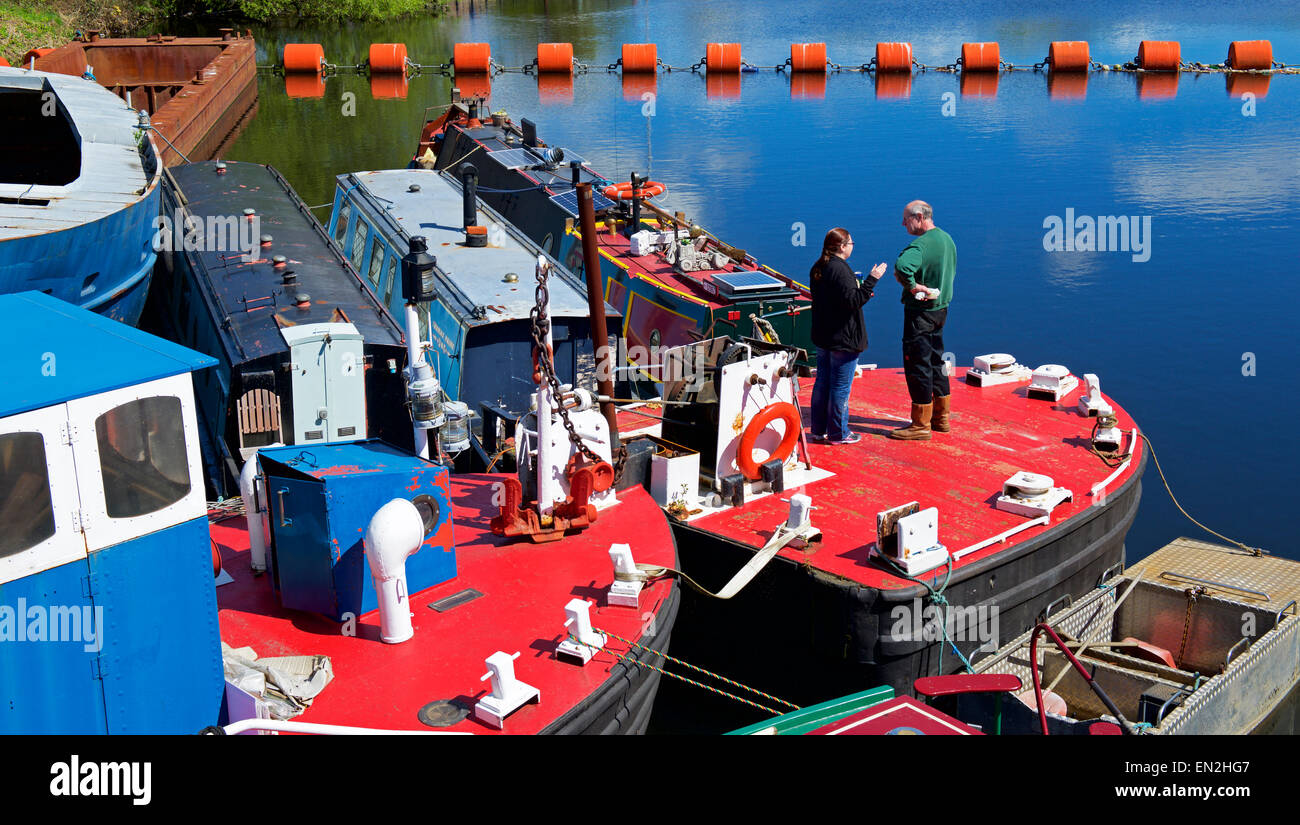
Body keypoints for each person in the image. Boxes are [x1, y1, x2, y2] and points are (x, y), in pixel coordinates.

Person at [808, 227, 887, 445]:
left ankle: (818, 430)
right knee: (840, 388)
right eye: (851, 243)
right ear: (842, 246)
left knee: (822, 383)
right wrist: (872, 279)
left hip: (824, 336)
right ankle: (838, 434)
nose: (852, 246)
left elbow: (837, 299)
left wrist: (859, 290)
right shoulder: (840, 270)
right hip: (843, 339)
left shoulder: (819, 267)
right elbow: (852, 302)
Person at [887, 200, 957, 441]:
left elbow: (902, 266)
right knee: (937, 361)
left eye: (906, 219)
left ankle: (920, 424)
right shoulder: (947, 239)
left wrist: (915, 286)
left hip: (920, 313)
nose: (903, 223)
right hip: (941, 311)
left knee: (918, 364)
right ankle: (941, 417)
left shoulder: (920, 245)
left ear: (918, 217)